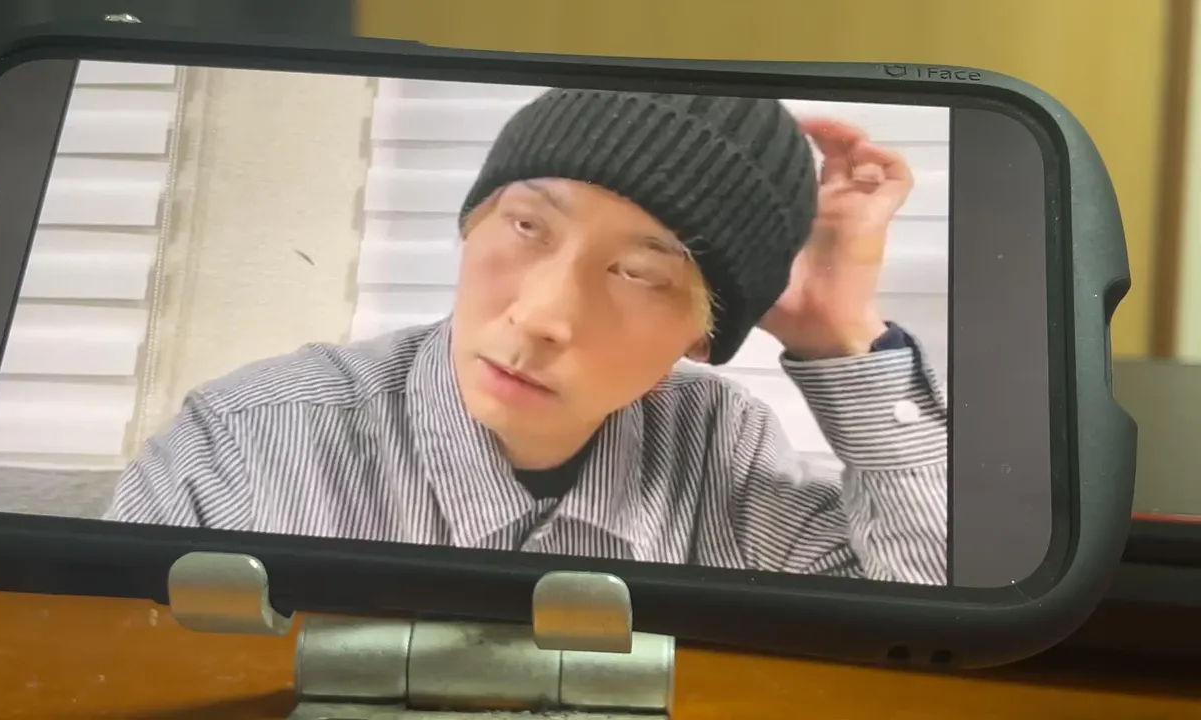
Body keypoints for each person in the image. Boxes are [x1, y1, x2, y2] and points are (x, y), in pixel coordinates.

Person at [106, 89, 949, 585]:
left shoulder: (720, 455)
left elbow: (934, 623)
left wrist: (839, 331)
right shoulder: (246, 446)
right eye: (525, 225)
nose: (542, 315)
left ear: (700, 337)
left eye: (640, 272)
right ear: (472, 223)